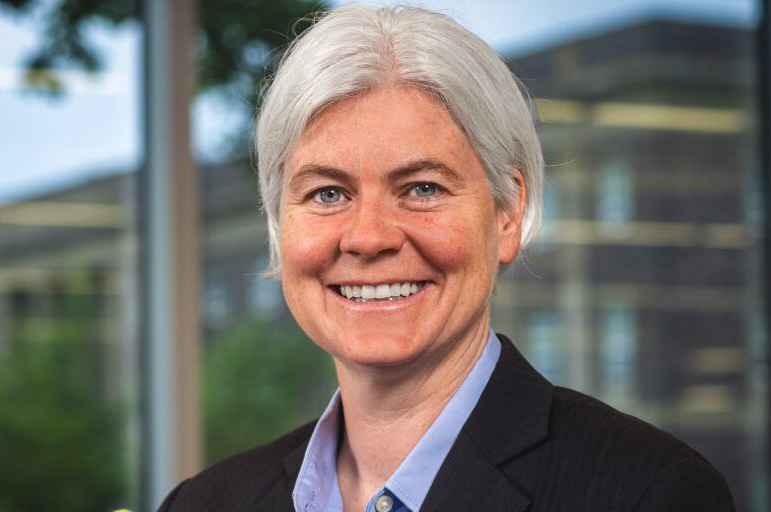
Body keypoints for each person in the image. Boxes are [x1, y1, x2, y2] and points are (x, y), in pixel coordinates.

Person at [159, 4, 735, 511]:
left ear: (508, 215)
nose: (368, 237)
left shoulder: (647, 493)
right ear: (279, 226)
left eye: (423, 188)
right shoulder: (205, 503)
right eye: (327, 194)